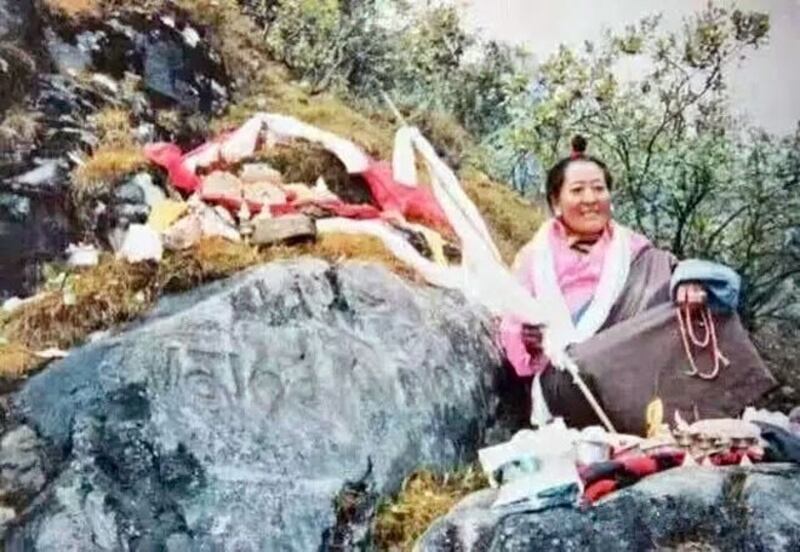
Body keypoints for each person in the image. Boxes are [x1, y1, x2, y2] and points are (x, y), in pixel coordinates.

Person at [500, 136, 775, 433]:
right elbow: (512, 328)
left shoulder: (636, 250)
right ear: (556, 202)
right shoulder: (534, 259)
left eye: (598, 189)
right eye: (577, 190)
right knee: (579, 369)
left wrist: (689, 282)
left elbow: (675, 272)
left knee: (707, 302)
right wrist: (530, 341)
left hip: (635, 368)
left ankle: (699, 417)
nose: (590, 199)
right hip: (570, 379)